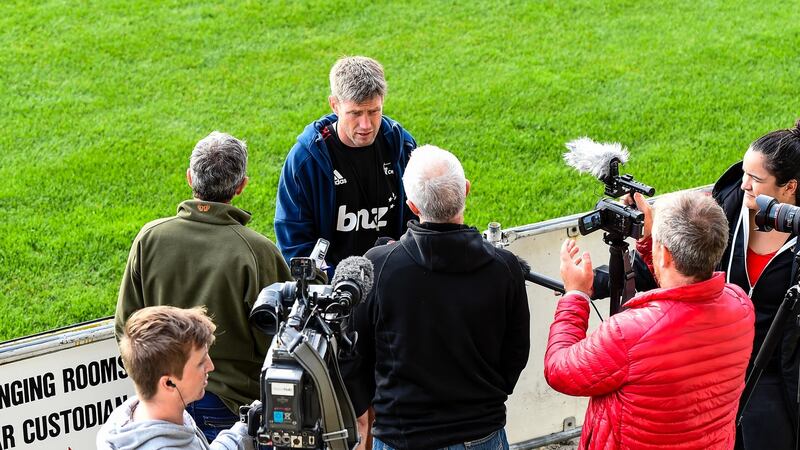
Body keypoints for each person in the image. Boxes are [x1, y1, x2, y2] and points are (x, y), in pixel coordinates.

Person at [343, 144, 530, 450]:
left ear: (413, 206)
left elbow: (354, 354)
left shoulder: (380, 265)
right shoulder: (504, 268)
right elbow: (516, 353)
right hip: (482, 433)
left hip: (402, 436)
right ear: (466, 191)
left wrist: (368, 414)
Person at [116, 131, 292, 440]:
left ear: (189, 178)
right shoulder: (256, 250)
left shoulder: (150, 237)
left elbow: (126, 326)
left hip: (160, 402)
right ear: (241, 186)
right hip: (230, 406)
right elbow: (283, 338)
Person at [545, 191, 755, 449]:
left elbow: (559, 370)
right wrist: (648, 241)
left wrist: (575, 295)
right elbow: (684, 292)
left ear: (665, 255)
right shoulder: (740, 306)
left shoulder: (628, 333)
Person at [274, 56, 417, 276]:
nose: (366, 125)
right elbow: (295, 244)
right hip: (334, 290)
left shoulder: (401, 147)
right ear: (335, 105)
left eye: (374, 111)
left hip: (393, 281)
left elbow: (421, 218)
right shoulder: (305, 161)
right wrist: (337, 283)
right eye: (355, 113)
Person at [712, 120, 800, 449]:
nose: (744, 185)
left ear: (789, 187)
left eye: (756, 179)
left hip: (776, 375)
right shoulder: (731, 205)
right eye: (745, 173)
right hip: (722, 362)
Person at [97, 306, 254, 450]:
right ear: (169, 383)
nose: (210, 366)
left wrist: (245, 429)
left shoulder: (145, 414)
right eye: (200, 363)